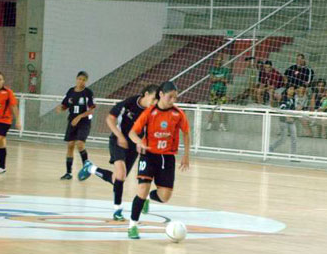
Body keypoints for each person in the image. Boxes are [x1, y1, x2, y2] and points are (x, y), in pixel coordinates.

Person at [77, 84, 158, 221]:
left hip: (134, 144)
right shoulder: (129, 103)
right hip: (117, 140)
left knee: (118, 179)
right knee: (121, 174)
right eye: (154, 98)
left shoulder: (152, 112)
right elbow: (110, 119)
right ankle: (117, 210)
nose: (156, 102)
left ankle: (90, 168)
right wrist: (120, 136)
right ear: (146, 94)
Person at [126, 81, 191, 239]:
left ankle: (149, 197)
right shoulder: (149, 112)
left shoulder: (178, 113)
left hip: (167, 157)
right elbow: (132, 133)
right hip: (148, 155)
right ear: (161, 94)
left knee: (165, 197)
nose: (173, 100)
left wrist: (186, 155)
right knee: (142, 189)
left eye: (175, 98)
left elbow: (186, 133)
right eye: (170, 97)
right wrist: (139, 142)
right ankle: (132, 226)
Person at [55, 71, 95, 180]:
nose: (81, 81)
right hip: (72, 121)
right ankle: (68, 173)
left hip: (84, 122)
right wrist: (60, 108)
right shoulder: (71, 91)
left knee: (80, 144)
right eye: (79, 79)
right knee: (70, 145)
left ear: (86, 81)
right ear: (76, 79)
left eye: (83, 80)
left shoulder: (88, 93)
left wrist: (79, 117)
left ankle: (86, 169)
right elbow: (65, 105)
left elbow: (91, 110)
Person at [270, 85, 297, 156]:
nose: (292, 90)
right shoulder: (283, 98)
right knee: (283, 139)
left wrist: (293, 117)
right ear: (287, 90)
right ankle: (271, 147)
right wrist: (287, 116)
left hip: (291, 121)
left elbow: (293, 110)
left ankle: (293, 155)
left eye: (293, 89)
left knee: (294, 138)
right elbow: (282, 108)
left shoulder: (293, 99)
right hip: (283, 121)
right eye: (290, 89)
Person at [206, 56, 230, 131]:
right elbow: (212, 80)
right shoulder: (212, 69)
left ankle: (221, 124)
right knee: (212, 108)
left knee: (221, 108)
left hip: (222, 91)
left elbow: (226, 81)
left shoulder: (226, 70)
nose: (218, 62)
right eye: (216, 60)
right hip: (214, 91)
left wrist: (217, 78)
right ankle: (209, 124)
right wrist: (220, 79)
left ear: (222, 62)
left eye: (219, 61)